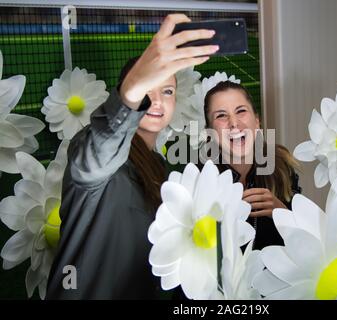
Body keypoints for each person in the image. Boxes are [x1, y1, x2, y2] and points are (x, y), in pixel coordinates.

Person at [46, 14, 219, 299]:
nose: (158, 101)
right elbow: (99, 152)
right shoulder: (94, 148)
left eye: (167, 91)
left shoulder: (162, 170)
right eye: (146, 91)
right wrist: (131, 93)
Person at [202, 81, 302, 250]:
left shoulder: (281, 169)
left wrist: (281, 211)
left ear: (257, 122)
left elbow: (304, 243)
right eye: (221, 115)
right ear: (209, 132)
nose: (234, 123)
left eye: (240, 111)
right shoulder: (200, 178)